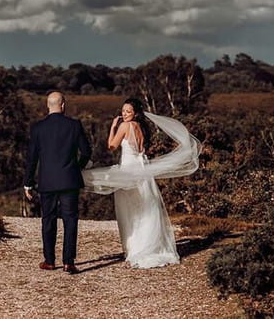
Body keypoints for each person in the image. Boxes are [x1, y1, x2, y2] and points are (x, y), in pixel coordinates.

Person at [83, 98, 200, 269]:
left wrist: (113, 127)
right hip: (142, 170)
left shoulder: (124, 126)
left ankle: (136, 249)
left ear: (135, 113)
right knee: (146, 209)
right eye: (123, 111)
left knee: (131, 211)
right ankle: (151, 246)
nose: (124, 114)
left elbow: (111, 146)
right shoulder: (142, 128)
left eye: (128, 111)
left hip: (129, 171)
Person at [24, 91, 91, 275]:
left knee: (48, 220)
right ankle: (69, 262)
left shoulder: (38, 128)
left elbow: (32, 158)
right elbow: (86, 152)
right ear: (63, 105)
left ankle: (50, 261)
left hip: (47, 182)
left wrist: (28, 183)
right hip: (69, 180)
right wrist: (76, 168)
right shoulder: (74, 125)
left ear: (48, 106)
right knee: (70, 220)